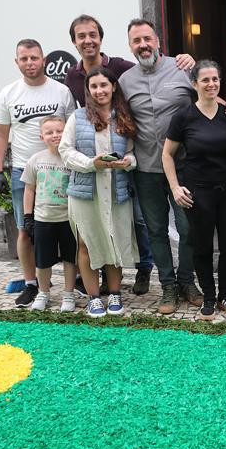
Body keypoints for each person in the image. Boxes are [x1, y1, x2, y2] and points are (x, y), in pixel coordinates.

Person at [119, 18, 226, 314]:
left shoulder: (183, 68)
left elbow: (207, 94)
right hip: (146, 168)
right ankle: (168, 287)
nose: (143, 45)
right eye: (137, 41)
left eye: (147, 38)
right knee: (156, 230)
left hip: (185, 168)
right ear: (131, 45)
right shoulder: (125, 80)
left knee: (189, 230)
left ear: (158, 40)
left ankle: (188, 282)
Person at [64, 14, 161, 296]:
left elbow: (151, 67)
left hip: (121, 172)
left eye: (92, 34)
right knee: (90, 235)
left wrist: (181, 62)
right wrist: (88, 162)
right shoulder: (72, 78)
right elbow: (68, 145)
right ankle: (95, 289)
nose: (88, 40)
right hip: (87, 178)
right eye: (81, 36)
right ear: (74, 42)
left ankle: (142, 270)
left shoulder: (120, 67)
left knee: (133, 225)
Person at [162, 60, 226, 320]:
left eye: (215, 79)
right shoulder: (183, 117)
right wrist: (175, 187)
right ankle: (208, 295)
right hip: (198, 193)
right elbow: (167, 155)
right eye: (205, 80)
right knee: (202, 246)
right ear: (194, 84)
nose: (211, 84)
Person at [0, 39, 75, 308]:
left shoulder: (61, 92)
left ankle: (73, 287)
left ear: (44, 60)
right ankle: (32, 284)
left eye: (34, 58)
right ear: (17, 62)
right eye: (24, 59)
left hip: (62, 170)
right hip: (24, 172)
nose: (30, 63)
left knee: (69, 230)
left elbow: (74, 129)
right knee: (25, 231)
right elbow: (0, 134)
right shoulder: (8, 94)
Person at [59, 67, 138, 318]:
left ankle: (114, 294)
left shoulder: (124, 117)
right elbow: (66, 151)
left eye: (104, 85)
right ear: (88, 90)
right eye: (94, 86)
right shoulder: (78, 117)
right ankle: (94, 298)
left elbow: (134, 153)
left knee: (113, 241)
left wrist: (128, 162)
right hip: (85, 192)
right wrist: (91, 163)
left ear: (113, 86)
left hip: (116, 190)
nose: (99, 90)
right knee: (86, 244)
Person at [21, 116, 77, 311]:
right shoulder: (36, 160)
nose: (55, 135)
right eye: (49, 132)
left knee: (71, 258)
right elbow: (29, 189)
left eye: (59, 131)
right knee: (43, 260)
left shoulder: (71, 158)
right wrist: (28, 216)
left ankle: (69, 294)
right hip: (43, 219)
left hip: (69, 219)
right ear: (41, 137)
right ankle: (43, 292)